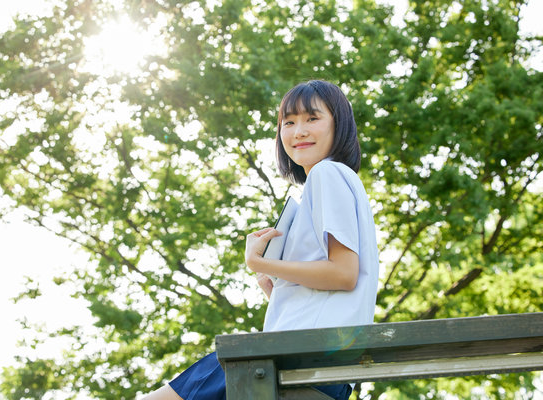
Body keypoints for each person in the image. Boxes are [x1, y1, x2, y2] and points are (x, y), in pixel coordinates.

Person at [144, 80, 380, 400]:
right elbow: (336, 283)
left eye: (312, 118)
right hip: (314, 365)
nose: (299, 131)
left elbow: (343, 273)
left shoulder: (328, 174)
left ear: (339, 125)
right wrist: (279, 287)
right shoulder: (336, 182)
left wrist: (259, 261)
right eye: (289, 122)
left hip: (295, 360)